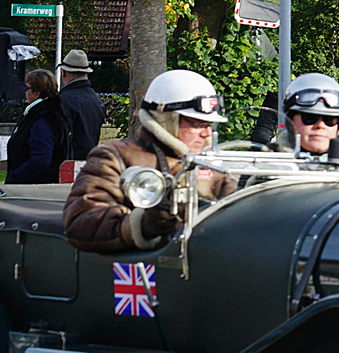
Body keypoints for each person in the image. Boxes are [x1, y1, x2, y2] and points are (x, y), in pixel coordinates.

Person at [64, 69, 231, 253]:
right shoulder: (115, 156)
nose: (206, 133)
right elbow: (80, 222)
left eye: (208, 125)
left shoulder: (216, 165)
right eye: (196, 123)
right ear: (166, 119)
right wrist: (143, 224)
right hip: (150, 272)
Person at [4, 68, 69, 184]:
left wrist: (14, 177)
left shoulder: (43, 119)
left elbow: (41, 160)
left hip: (33, 188)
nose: (25, 92)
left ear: (36, 93)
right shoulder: (43, 114)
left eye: (27, 88)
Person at [57, 49, 105, 161]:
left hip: (66, 163)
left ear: (63, 72)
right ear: (87, 73)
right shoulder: (96, 100)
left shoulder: (62, 100)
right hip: (88, 161)